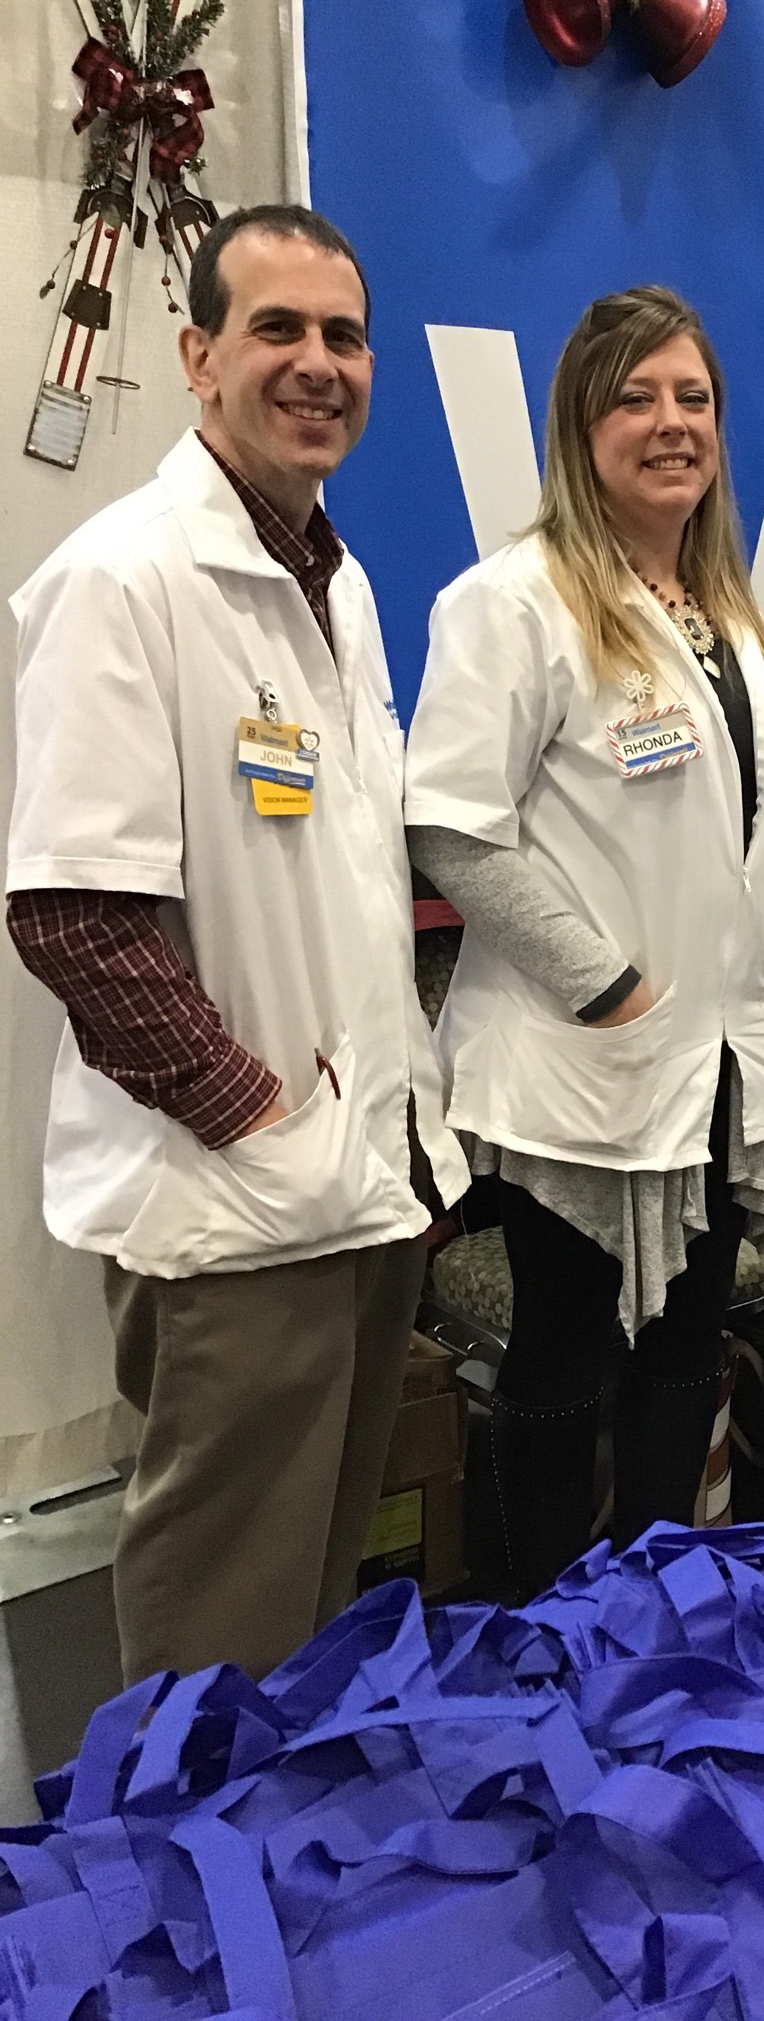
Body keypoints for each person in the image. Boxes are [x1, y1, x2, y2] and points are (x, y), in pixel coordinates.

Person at [6, 204, 468, 1683]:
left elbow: (337, 879)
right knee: (220, 1638)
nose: (318, 363)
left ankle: (283, 1832)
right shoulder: (123, 580)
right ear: (198, 357)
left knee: (312, 1607)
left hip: (356, 1189)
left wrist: (372, 1135)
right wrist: (260, 1120)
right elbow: (73, 915)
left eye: (344, 336)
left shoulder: (340, 582)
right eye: (278, 329)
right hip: (238, 1215)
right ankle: (185, 1843)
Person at [406, 286, 764, 1596]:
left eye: (693, 397)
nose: (671, 422)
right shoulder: (511, 602)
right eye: (635, 397)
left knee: (687, 1345)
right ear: (581, 428)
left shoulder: (729, 614)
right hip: (583, 1058)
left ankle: (651, 1600)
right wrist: (608, 987)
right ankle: (548, 1626)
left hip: (717, 1058)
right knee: (565, 1355)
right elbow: (453, 828)